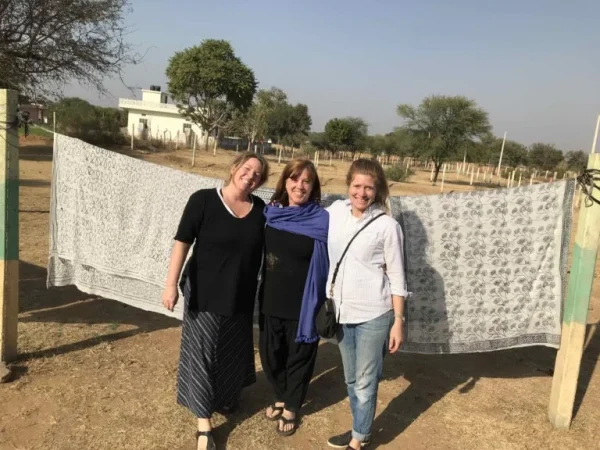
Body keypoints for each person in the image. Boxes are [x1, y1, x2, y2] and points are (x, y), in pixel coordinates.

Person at [161, 152, 269, 450]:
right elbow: (182, 242)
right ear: (234, 168)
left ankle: (226, 397)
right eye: (246, 169)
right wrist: (170, 285)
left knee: (233, 351)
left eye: (257, 174)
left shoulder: (260, 209)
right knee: (203, 353)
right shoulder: (203, 200)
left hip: (241, 293)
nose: (251, 176)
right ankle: (204, 423)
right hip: (205, 291)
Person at [325, 159, 408, 450]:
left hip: (375, 314)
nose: (361, 193)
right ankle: (359, 428)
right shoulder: (335, 212)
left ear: (378, 190)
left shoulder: (387, 226)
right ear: (348, 185)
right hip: (341, 313)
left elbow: (397, 276)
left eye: (368, 188)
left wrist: (398, 321)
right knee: (351, 378)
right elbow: (304, 218)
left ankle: (359, 438)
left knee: (364, 379)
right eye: (356, 186)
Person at [259, 158, 329, 437]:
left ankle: (291, 406)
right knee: (270, 355)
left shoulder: (322, 220)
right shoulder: (269, 214)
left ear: (313, 187)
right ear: (285, 182)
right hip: (271, 298)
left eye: (306, 181)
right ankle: (279, 393)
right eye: (294, 179)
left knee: (299, 357)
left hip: (304, 303)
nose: (299, 185)